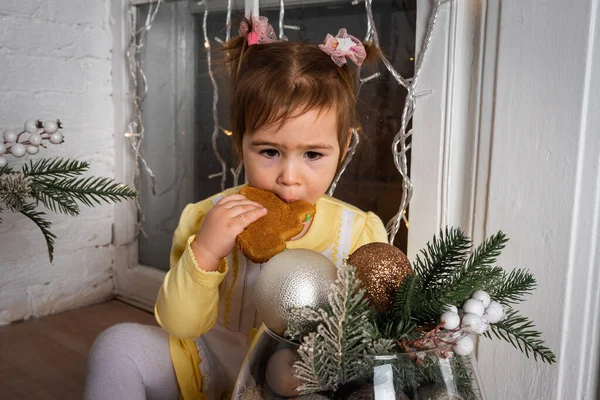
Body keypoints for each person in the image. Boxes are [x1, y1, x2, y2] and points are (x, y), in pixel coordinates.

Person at [84, 16, 388, 400]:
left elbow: (373, 334)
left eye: (313, 154)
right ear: (240, 141)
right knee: (117, 344)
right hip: (203, 361)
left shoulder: (358, 231)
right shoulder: (204, 215)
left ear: (343, 147)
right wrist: (207, 251)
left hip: (291, 380)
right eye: (269, 152)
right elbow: (180, 324)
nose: (289, 177)